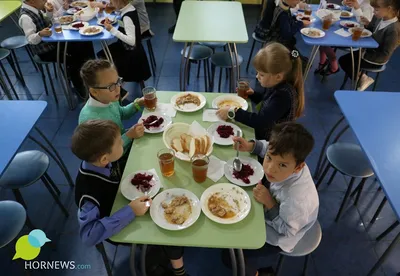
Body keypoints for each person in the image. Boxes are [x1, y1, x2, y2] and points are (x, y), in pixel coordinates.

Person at [72, 120, 188, 276]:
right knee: (169, 228)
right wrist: (130, 211)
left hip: (123, 203)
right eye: (120, 143)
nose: (124, 142)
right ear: (105, 159)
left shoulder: (99, 162)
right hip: (116, 221)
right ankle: (173, 270)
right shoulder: (89, 191)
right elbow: (88, 236)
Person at [233, 122, 319, 273]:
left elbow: (287, 231)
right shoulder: (286, 157)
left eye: (282, 165)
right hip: (277, 208)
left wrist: (270, 203)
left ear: (299, 167)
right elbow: (269, 147)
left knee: (231, 256)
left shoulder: (297, 199)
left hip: (282, 235)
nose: (270, 168)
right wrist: (251, 146)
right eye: (269, 158)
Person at [216, 43, 305, 142]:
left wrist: (233, 112)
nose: (257, 77)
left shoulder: (283, 96)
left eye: (261, 74)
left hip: (270, 144)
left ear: (278, 77)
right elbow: (268, 101)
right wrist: (253, 95)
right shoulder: (277, 85)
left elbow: (261, 121)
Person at [19, 0, 95, 99]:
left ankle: (91, 75)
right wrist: (40, 34)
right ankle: (80, 89)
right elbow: (30, 39)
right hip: (45, 51)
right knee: (74, 59)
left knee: (82, 44)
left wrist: (49, 12)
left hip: (52, 42)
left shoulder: (35, 9)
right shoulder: (25, 17)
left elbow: (48, 20)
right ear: (32, 1)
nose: (45, 0)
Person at [79, 59, 145, 172]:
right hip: (115, 161)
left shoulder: (109, 99)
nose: (118, 89)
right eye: (111, 86)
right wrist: (129, 135)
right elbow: (106, 153)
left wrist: (137, 104)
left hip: (124, 144)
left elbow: (121, 113)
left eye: (118, 82)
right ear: (94, 92)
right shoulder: (91, 120)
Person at [339, 0, 400, 90]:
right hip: (367, 51)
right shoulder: (379, 17)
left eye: (376, 10)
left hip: (376, 60)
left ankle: (362, 79)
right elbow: (371, 30)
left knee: (347, 62)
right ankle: (361, 78)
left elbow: (386, 54)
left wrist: (364, 54)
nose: (373, 12)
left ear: (389, 9)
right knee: (344, 60)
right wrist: (367, 23)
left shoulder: (393, 29)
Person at [98, 0, 151, 87]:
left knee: (105, 56)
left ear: (118, 1)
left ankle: (116, 85)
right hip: (131, 48)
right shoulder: (129, 8)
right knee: (104, 53)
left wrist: (112, 30)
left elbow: (131, 41)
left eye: (112, 2)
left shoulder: (127, 17)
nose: (110, 4)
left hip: (131, 53)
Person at [315, 0, 374, 76]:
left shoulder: (369, 6)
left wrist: (357, 7)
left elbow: (364, 23)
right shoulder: (360, 1)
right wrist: (345, 3)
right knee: (323, 36)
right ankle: (322, 63)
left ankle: (334, 66)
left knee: (324, 40)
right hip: (348, 29)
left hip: (357, 37)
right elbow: (349, 8)